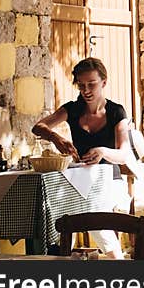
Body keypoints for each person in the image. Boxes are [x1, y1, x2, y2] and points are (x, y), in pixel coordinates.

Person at [32, 57, 134, 257]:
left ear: (104, 83)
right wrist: (55, 137)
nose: (86, 90)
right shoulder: (72, 108)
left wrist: (103, 151)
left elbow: (124, 154)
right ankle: (61, 256)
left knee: (94, 208)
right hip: (78, 180)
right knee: (52, 207)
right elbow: (38, 127)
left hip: (108, 180)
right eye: (81, 85)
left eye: (92, 84)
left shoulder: (116, 112)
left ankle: (116, 260)